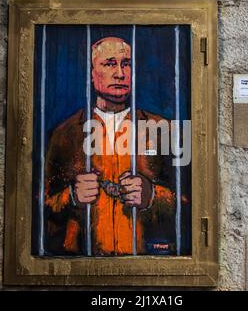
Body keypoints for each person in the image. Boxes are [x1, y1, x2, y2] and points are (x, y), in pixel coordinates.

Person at [44, 37, 185, 256]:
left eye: (126, 64)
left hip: (147, 263)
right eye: (109, 64)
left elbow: (190, 204)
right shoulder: (64, 135)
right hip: (81, 266)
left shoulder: (161, 129)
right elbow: (38, 206)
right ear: (92, 73)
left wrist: (152, 196)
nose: (120, 73)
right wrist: (70, 197)